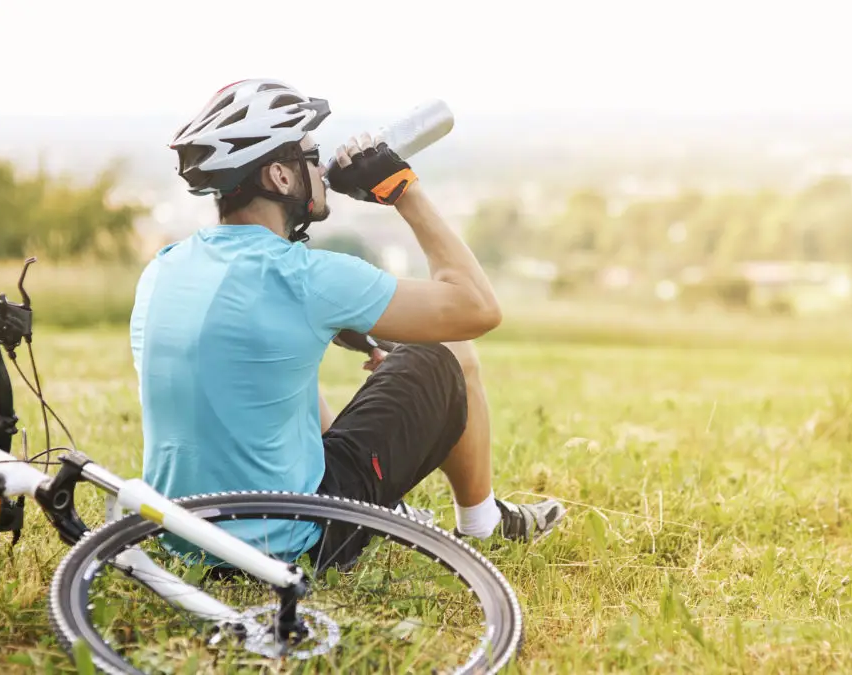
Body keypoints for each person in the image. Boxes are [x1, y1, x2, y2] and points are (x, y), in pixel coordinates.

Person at [129, 79, 566, 566]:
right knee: (449, 353)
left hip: (183, 535)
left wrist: (350, 331)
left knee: (275, 377)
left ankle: (388, 506)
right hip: (288, 541)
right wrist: (402, 189)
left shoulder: (166, 267)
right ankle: (483, 524)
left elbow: (247, 344)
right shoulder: (305, 276)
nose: (321, 169)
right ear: (280, 176)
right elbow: (477, 309)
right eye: (311, 158)